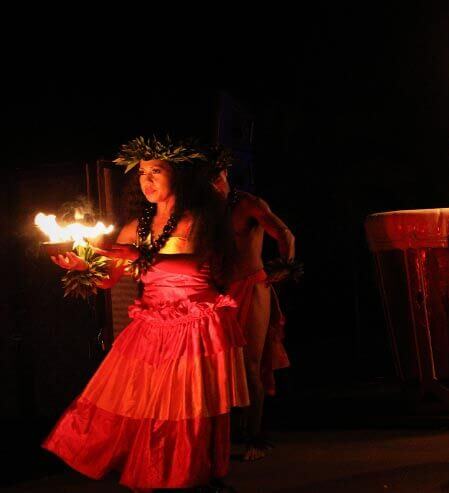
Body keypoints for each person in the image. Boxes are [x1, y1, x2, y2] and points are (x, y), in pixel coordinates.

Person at [44, 136, 247, 491]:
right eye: (141, 173)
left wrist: (136, 255)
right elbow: (108, 279)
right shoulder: (135, 227)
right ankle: (158, 473)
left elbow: (196, 265)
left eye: (156, 171)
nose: (147, 180)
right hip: (152, 324)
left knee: (188, 410)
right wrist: (83, 265)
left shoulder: (199, 219)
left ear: (179, 177)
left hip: (196, 322)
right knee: (143, 405)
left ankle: (192, 476)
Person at [211, 147, 297, 462]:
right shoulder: (203, 211)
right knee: (218, 366)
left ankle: (255, 436)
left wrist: (285, 266)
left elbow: (284, 233)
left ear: (225, 175)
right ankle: (225, 432)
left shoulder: (246, 204)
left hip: (251, 287)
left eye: (217, 177)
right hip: (217, 294)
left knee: (249, 363)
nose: (213, 185)